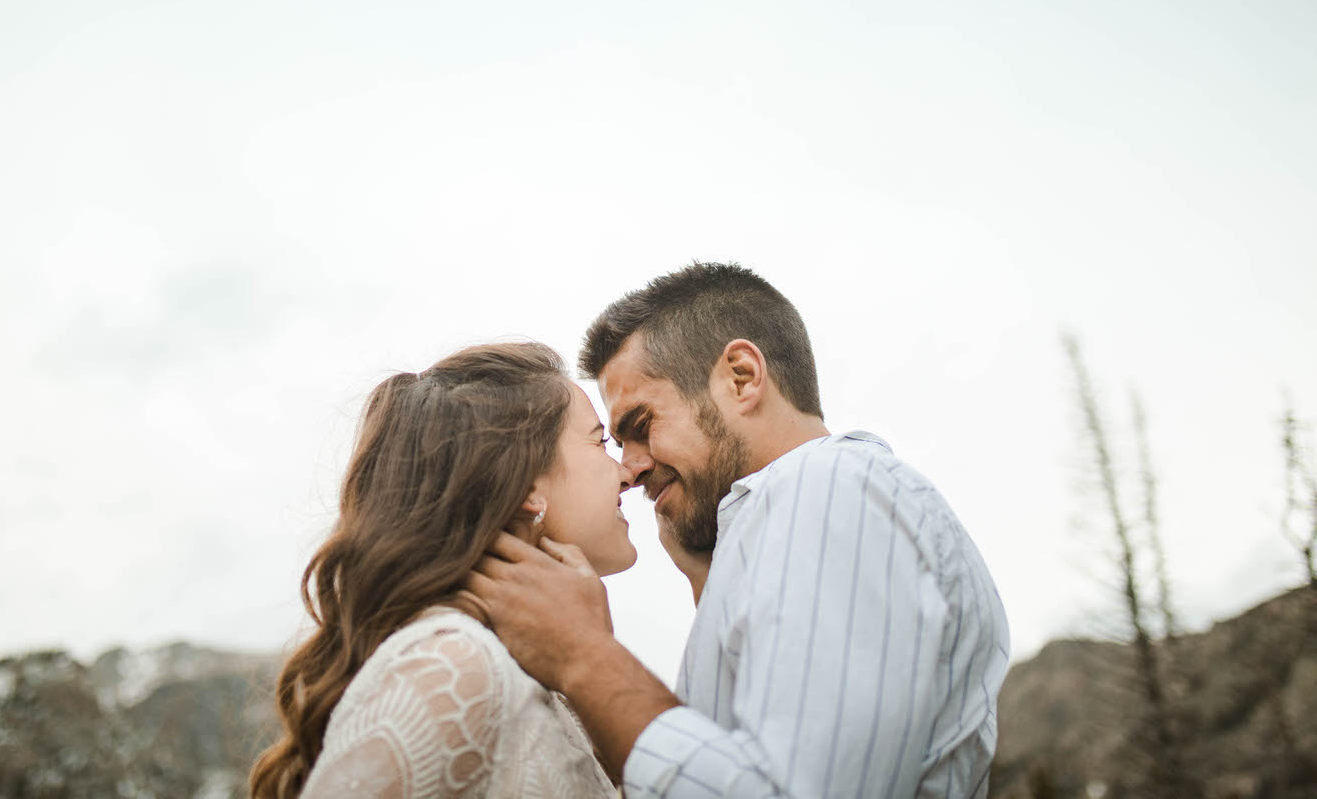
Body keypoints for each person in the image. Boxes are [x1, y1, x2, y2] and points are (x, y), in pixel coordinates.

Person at [465, 262, 1011, 798]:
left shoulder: (829, 487)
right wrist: (709, 587)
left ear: (741, 378)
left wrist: (585, 656)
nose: (629, 469)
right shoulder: (787, 522)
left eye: (640, 425)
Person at [250, 342, 635, 799]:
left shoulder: (528, 673)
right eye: (599, 442)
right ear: (528, 480)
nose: (627, 471)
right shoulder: (452, 667)